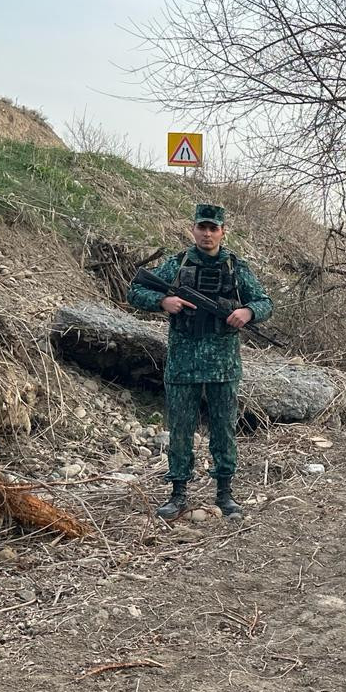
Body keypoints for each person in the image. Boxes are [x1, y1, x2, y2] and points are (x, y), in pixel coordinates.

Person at [127, 203, 273, 519]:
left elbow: (264, 302)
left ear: (222, 232)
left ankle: (225, 494)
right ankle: (178, 494)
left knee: (223, 429)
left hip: (224, 365)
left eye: (213, 228)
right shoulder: (177, 264)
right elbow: (135, 291)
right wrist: (162, 300)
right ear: (193, 229)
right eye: (202, 227)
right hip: (183, 363)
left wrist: (247, 312)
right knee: (180, 429)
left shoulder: (236, 267)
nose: (207, 234)